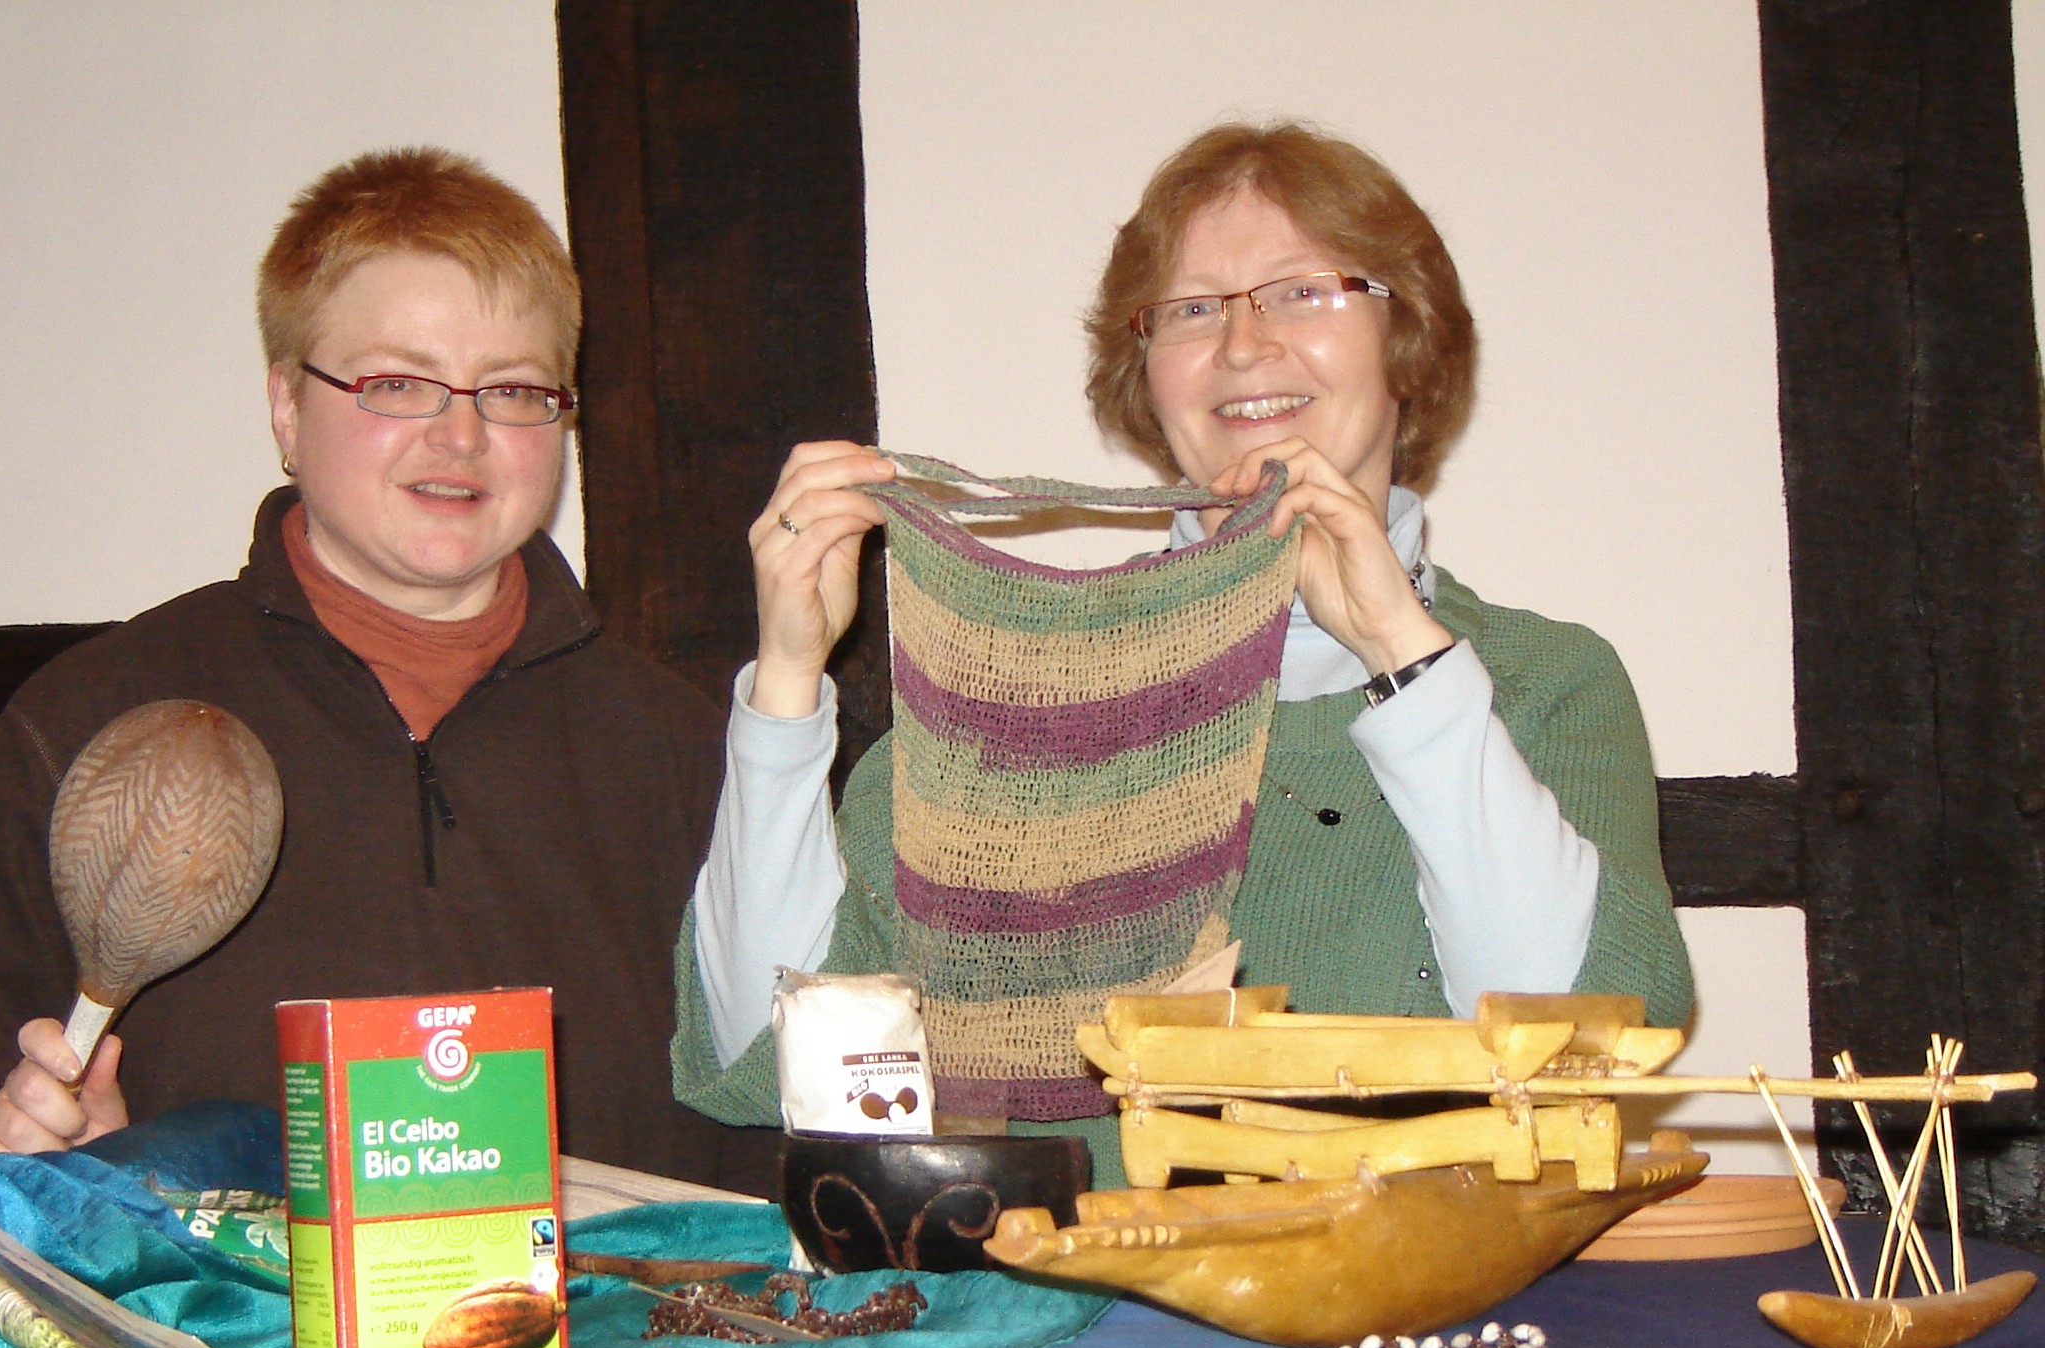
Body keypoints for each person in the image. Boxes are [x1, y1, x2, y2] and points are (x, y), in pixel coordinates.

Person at [669, 120, 1693, 1179]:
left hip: (1414, 1284)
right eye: (1193, 309)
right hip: (1064, 1286)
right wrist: (785, 687)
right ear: (1147, 372)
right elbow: (761, 1055)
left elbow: (1578, 1041)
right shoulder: (1022, 699)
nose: (1244, 345)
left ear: (1408, 339)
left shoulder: (1542, 686)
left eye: (1304, 290)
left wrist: (1400, 648)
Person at [0, 146, 768, 1192]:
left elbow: (771, 1110)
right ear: (287, 407)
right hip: (201, 1301)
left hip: (615, 1304)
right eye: (397, 384)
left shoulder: (679, 749)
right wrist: (16, 1139)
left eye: (513, 390)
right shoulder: (100, 712)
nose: (461, 435)